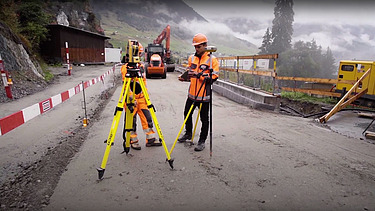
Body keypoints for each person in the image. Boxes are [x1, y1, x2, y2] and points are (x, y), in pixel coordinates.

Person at [177, 33, 219, 151]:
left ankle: (201, 141)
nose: (196, 49)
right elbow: (190, 72)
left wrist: (199, 75)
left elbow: (213, 78)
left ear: (205, 45)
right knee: (187, 114)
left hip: (204, 96)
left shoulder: (212, 60)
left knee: (204, 119)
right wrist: (185, 77)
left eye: (198, 46)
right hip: (192, 94)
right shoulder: (192, 58)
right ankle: (188, 133)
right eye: (195, 46)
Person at [121, 42, 162, 150]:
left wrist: (146, 96)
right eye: (137, 54)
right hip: (132, 100)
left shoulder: (141, 66)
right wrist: (130, 97)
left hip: (142, 99)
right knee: (131, 122)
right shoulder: (125, 68)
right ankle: (132, 140)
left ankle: (151, 139)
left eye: (140, 54)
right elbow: (126, 85)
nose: (139, 56)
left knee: (147, 119)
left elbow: (143, 82)